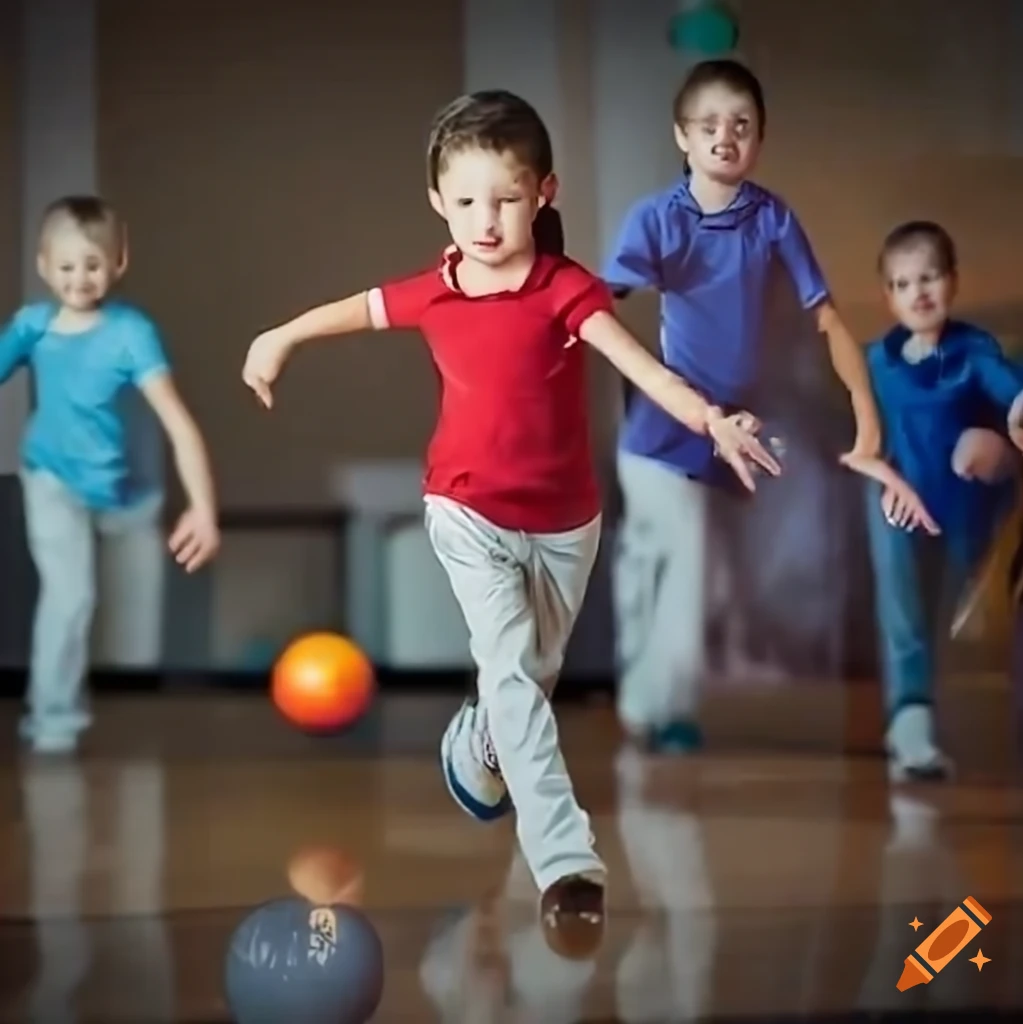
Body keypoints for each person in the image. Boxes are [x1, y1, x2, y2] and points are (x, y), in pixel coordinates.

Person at [241, 89, 779, 938]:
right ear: (437, 202)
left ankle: (476, 746)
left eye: (505, 200)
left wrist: (712, 421)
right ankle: (567, 864)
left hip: (565, 524)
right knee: (515, 672)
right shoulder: (436, 292)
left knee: (528, 678)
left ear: (542, 194)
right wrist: (278, 337)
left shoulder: (567, 291)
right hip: (464, 509)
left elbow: (645, 370)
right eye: (465, 203)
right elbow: (359, 308)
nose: (485, 222)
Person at [602, 58, 934, 753]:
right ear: (682, 136)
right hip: (659, 435)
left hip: (733, 439)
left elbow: (828, 319)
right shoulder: (656, 220)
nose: (725, 137)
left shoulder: (773, 219)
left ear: (759, 138)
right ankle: (654, 705)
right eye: (708, 125)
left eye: (741, 125)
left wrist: (866, 415)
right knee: (674, 561)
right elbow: (597, 308)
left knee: (695, 572)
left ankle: (655, 699)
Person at [0, 195, 220, 754]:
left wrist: (203, 509)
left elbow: (179, 424)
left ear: (119, 262)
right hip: (52, 480)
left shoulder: (130, 333)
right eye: (66, 266)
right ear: (44, 265)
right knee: (71, 595)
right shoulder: (32, 326)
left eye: (93, 265)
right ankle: (53, 720)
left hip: (123, 490)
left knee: (143, 570)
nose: (80, 278)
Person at [865, 220, 1023, 781]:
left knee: (955, 608)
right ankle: (910, 720)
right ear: (889, 296)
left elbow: (1008, 388)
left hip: (963, 501)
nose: (919, 293)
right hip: (899, 497)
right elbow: (859, 426)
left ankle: (957, 711)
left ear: (952, 281)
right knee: (901, 598)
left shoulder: (973, 350)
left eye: (929, 278)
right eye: (903, 284)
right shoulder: (878, 361)